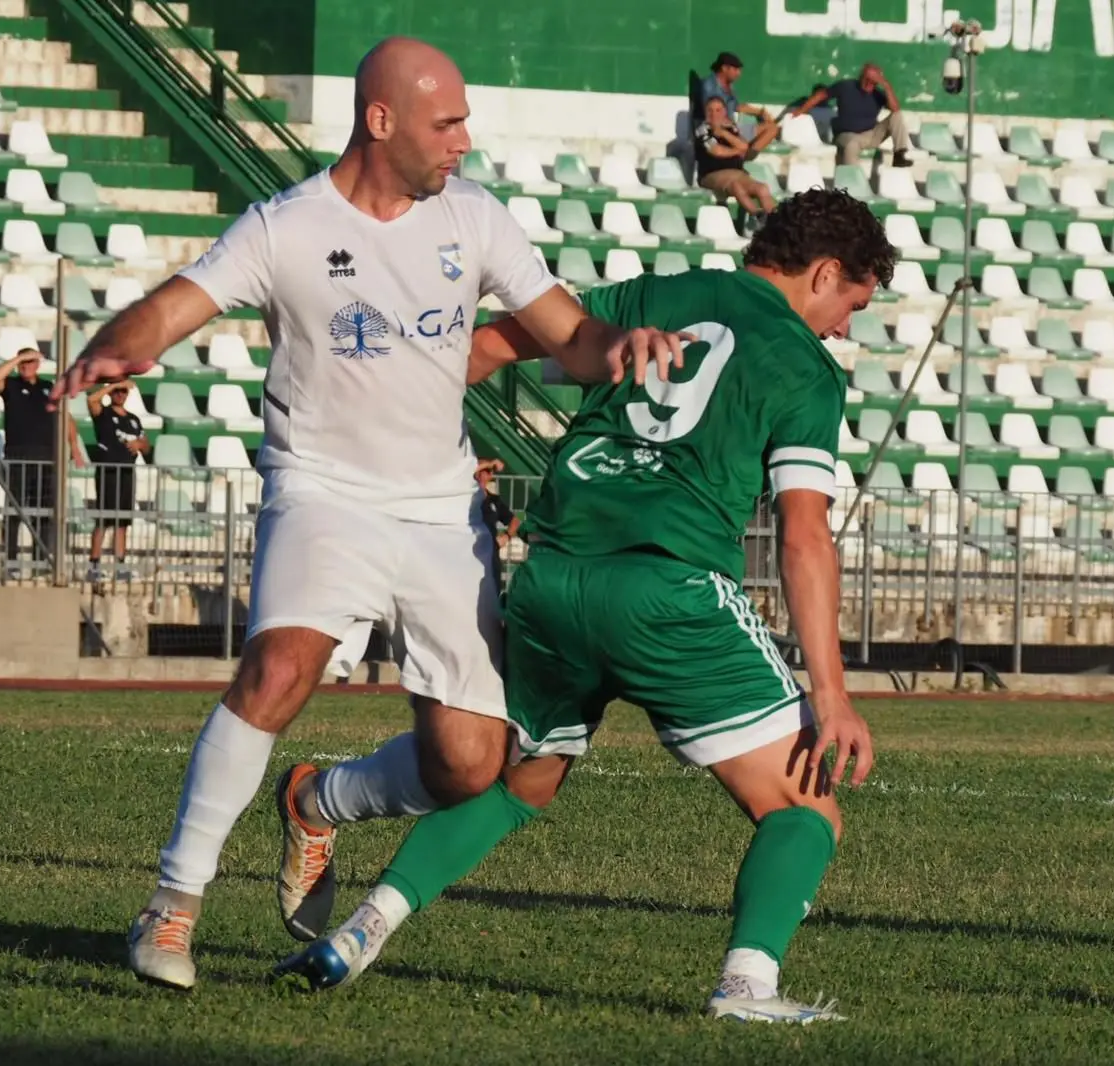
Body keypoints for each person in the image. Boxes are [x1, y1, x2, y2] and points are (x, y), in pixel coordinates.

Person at [47, 36, 688, 992]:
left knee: (471, 765)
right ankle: (171, 910)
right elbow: (175, 307)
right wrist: (115, 347)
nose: (464, 141)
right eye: (447, 122)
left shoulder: (472, 216)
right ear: (379, 122)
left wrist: (619, 344)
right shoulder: (286, 226)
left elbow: (570, 333)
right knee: (278, 668)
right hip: (323, 494)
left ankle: (320, 798)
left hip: (440, 511)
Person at [274, 189, 895, 1024]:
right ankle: (747, 987)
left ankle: (362, 928)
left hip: (555, 573)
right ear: (824, 272)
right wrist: (830, 691)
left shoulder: (652, 295)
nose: (844, 328)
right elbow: (804, 534)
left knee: (522, 778)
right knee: (803, 807)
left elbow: (491, 346)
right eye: (851, 303)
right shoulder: (801, 363)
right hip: (667, 590)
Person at [0, 348, 86, 573]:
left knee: (44, 511)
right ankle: (11, 562)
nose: (26, 366)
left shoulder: (48, 388)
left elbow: (67, 417)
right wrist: (18, 358)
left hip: (46, 456)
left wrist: (75, 448)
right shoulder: (11, 386)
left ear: (37, 365)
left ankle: (41, 561)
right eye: (23, 363)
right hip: (18, 455)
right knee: (15, 510)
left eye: (30, 362)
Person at [789, 64, 911, 168]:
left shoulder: (877, 94)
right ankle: (850, 183)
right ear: (861, 77)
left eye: (873, 82)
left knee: (897, 116)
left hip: (870, 134)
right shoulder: (846, 87)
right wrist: (801, 110)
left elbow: (895, 108)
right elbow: (822, 95)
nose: (869, 84)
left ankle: (899, 156)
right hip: (846, 135)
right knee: (852, 144)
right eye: (867, 80)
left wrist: (886, 86)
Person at [86, 381, 148, 582]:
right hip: (108, 472)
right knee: (103, 519)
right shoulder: (103, 414)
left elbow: (146, 445)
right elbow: (91, 399)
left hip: (127, 473)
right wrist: (115, 384)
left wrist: (139, 444)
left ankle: (120, 566)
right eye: (116, 391)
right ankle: (94, 565)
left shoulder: (133, 419)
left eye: (123, 391)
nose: (120, 394)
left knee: (122, 522)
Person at [696, 95, 776, 221]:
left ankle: (776, 222)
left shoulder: (731, 128)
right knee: (735, 185)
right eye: (710, 110)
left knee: (762, 188)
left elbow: (744, 146)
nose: (714, 114)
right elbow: (717, 151)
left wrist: (723, 133)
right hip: (712, 174)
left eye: (718, 110)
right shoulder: (702, 130)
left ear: (724, 112)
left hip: (737, 172)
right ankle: (757, 215)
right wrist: (736, 150)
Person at [698, 51, 781, 157]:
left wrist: (760, 111)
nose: (739, 74)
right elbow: (711, 114)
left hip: (733, 127)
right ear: (724, 68)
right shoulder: (709, 86)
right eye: (736, 70)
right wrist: (730, 130)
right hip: (720, 130)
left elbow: (736, 107)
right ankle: (741, 156)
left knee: (772, 128)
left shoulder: (729, 86)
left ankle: (746, 156)